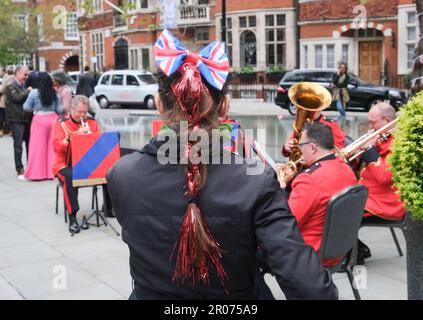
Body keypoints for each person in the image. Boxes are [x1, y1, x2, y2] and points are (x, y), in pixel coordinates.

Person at [106, 29, 338, 300]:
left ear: (159, 104)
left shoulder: (120, 174)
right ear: (224, 106)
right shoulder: (257, 181)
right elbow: (311, 289)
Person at [281, 122, 357, 251]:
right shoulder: (347, 170)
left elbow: (286, 223)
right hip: (337, 250)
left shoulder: (309, 179)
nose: (299, 149)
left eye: (301, 145)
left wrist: (278, 189)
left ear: (312, 148)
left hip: (305, 252)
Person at [356, 102, 406, 264]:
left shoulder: (399, 143)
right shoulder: (381, 138)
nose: (369, 126)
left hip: (386, 202)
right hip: (368, 193)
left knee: (340, 210)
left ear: (386, 120)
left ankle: (354, 253)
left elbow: (384, 176)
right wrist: (358, 155)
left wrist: (370, 150)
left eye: (373, 122)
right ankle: (355, 249)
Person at [52, 95, 99, 234]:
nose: (83, 115)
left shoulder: (92, 123)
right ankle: (73, 216)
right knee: (70, 176)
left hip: (85, 162)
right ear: (71, 109)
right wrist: (76, 136)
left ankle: (108, 208)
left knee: (109, 169)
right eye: (79, 112)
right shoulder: (61, 124)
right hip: (64, 164)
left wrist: (91, 138)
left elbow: (98, 145)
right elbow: (57, 147)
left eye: (85, 112)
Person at [23, 72, 63, 180]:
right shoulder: (55, 93)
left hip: (39, 120)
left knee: (37, 148)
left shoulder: (34, 93)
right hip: (53, 120)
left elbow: (26, 107)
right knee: (52, 147)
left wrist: (35, 109)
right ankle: (51, 173)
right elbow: (60, 109)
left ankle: (37, 174)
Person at [4, 65, 32, 179]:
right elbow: (17, 98)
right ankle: (19, 169)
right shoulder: (10, 86)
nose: (26, 77)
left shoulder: (23, 86)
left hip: (26, 119)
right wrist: (28, 91)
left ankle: (31, 166)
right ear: (18, 73)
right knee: (18, 145)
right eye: (25, 74)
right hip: (16, 120)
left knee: (29, 144)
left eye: (27, 74)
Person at [281, 111, 346, 158]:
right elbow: (287, 150)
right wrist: (286, 147)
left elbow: (338, 152)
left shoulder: (331, 125)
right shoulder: (301, 124)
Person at [0, 69, 15, 137]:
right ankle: (11, 130)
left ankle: (1, 130)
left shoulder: (7, 79)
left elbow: (2, 90)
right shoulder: (15, 78)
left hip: (5, 100)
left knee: (2, 115)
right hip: (14, 100)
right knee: (12, 116)